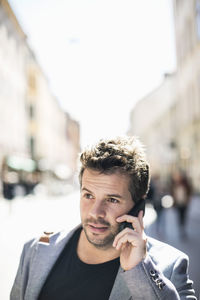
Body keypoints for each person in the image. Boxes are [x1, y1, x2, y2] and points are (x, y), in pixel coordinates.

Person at [10, 136, 196, 300]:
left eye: (112, 199)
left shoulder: (170, 268)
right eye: (88, 196)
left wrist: (141, 270)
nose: (95, 212)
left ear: (138, 206)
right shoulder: (35, 250)